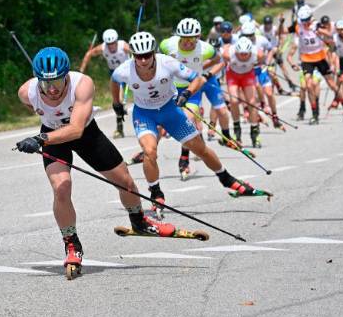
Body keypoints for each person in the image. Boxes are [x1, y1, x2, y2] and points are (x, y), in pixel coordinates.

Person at [16, 47, 175, 276]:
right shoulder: (26, 92)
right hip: (52, 137)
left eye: (57, 83)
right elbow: (37, 107)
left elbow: (76, 129)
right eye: (45, 84)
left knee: (125, 182)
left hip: (85, 135)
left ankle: (139, 221)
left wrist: (40, 139)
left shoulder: (83, 84)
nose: (51, 89)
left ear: (66, 77)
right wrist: (46, 132)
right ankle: (72, 244)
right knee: (61, 188)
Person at [111, 32, 270, 216]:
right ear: (133, 55)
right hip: (145, 114)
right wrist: (116, 103)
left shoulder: (167, 63)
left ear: (153, 53)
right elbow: (114, 81)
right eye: (139, 56)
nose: (144, 60)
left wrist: (187, 93)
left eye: (148, 55)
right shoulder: (124, 70)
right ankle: (156, 192)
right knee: (149, 151)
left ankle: (227, 179)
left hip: (170, 111)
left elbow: (197, 78)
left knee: (200, 149)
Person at [159, 18, 229, 179]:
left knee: (187, 121)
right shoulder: (167, 44)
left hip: (193, 89)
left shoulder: (206, 49)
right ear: (179, 37)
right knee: (162, 126)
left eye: (192, 39)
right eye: (184, 39)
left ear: (198, 37)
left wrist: (205, 73)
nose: (188, 43)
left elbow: (220, 61)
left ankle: (184, 159)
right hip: (171, 88)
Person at [286, 5, 337, 125]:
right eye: (302, 21)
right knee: (305, 87)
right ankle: (305, 109)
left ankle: (342, 105)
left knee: (315, 84)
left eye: (306, 21)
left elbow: (329, 42)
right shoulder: (298, 35)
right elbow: (289, 54)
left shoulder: (317, 27)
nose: (304, 24)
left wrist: (332, 63)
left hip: (319, 60)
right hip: (305, 62)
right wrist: (292, 63)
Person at [79, 29, 132, 138]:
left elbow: (135, 52)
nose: (111, 46)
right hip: (115, 74)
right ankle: (119, 128)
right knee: (117, 101)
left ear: (117, 41)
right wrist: (81, 70)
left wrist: (133, 54)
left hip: (128, 71)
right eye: (109, 44)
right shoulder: (103, 48)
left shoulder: (123, 46)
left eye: (113, 43)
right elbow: (88, 54)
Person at [221, 36, 263, 144]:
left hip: (248, 75)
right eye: (241, 54)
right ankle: (237, 129)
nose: (244, 56)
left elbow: (261, 60)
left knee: (252, 102)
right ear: (236, 51)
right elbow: (223, 56)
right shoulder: (229, 53)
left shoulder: (257, 54)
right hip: (233, 76)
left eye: (246, 54)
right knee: (234, 101)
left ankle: (254, 130)